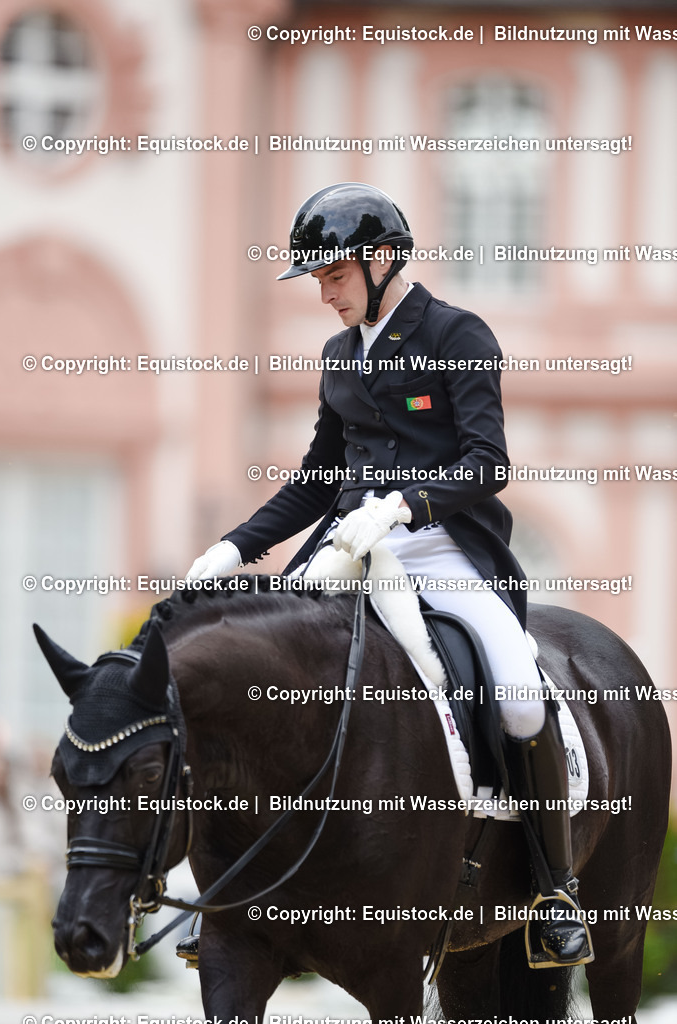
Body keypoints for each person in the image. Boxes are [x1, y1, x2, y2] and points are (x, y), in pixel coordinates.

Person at [187, 182, 593, 969]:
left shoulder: (457, 334)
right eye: (317, 280)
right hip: (349, 545)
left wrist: (404, 505)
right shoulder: (340, 356)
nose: (325, 294)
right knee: (255, 672)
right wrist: (234, 548)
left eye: (335, 276)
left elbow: (488, 463)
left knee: (517, 690)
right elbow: (317, 478)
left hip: (440, 544)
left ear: (381, 260)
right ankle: (230, 892)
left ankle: (555, 890)